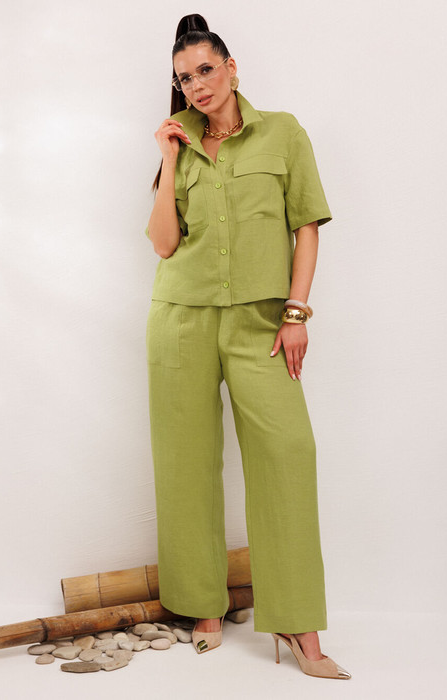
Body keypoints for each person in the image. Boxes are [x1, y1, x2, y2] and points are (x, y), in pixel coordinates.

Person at [144, 13, 351, 680]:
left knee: (289, 453)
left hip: (262, 323)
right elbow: (163, 244)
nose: (197, 85)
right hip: (181, 318)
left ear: (232, 68)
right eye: (184, 78)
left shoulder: (283, 132)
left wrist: (296, 313)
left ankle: (298, 623)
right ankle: (203, 607)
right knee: (185, 462)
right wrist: (168, 157)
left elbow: (306, 224)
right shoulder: (180, 143)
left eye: (206, 70)